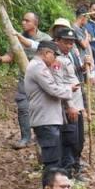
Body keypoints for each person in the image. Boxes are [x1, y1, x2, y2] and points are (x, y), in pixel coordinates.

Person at [0, 11, 51, 149]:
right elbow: (10, 56)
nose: (23, 22)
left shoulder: (44, 38)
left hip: (42, 80)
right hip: (24, 79)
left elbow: (38, 47)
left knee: (41, 108)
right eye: (23, 20)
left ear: (35, 23)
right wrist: (0, 59)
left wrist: (19, 38)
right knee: (23, 107)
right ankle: (25, 137)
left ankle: (41, 136)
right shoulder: (16, 39)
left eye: (27, 20)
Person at [24, 41, 77, 171]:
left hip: (48, 118)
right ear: (46, 53)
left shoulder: (39, 66)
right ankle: (50, 183)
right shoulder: (38, 67)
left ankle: (53, 181)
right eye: (54, 55)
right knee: (52, 160)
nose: (55, 59)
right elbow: (53, 89)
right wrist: (69, 88)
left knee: (55, 157)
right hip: (45, 119)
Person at [51, 28, 85, 175]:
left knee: (78, 139)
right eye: (66, 42)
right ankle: (68, 172)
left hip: (77, 105)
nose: (69, 46)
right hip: (69, 107)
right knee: (70, 140)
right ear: (57, 41)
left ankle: (76, 167)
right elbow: (59, 85)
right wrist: (69, 106)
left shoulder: (68, 56)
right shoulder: (57, 60)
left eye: (71, 43)